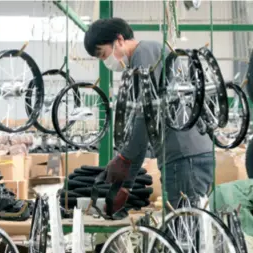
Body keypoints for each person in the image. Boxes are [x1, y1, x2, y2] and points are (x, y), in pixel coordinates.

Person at [84, 17, 214, 211]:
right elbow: (144, 127)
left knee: (181, 230)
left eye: (104, 55)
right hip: (184, 155)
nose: (106, 62)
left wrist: (124, 158)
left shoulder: (145, 54)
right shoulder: (141, 62)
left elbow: (146, 116)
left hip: (184, 155)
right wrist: (127, 184)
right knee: (184, 226)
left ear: (119, 39)